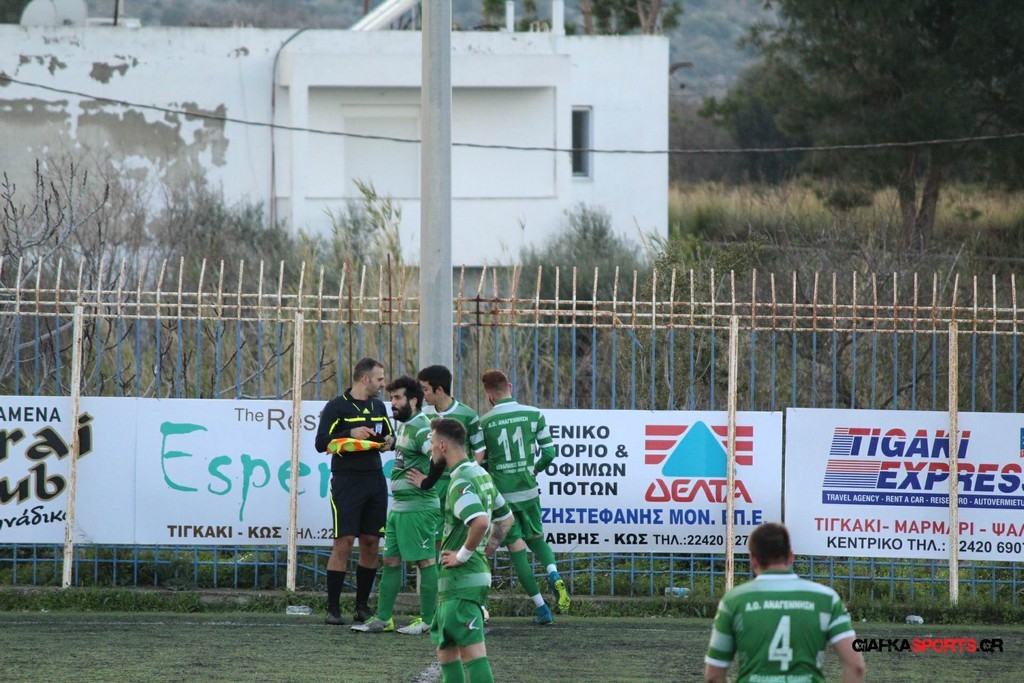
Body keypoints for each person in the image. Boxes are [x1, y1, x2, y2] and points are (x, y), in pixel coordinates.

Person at [704, 522, 866, 683]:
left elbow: (714, 675)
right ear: (790, 556)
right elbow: (856, 667)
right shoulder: (826, 598)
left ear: (753, 559)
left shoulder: (733, 600)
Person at [474, 369, 570, 624]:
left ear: (489, 395)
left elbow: (482, 462)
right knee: (537, 539)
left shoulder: (485, 422)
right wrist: (533, 470)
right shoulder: (534, 414)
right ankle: (553, 573)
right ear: (510, 386)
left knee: (516, 549)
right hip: (528, 490)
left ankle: (542, 608)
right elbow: (549, 454)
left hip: (503, 497)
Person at [352, 375, 440, 635]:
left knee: (425, 562)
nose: (392, 403)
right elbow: (409, 454)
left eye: (398, 398)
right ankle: (384, 619)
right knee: (390, 560)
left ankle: (428, 620)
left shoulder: (422, 427)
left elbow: (439, 454)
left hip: (418, 507)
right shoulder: (404, 426)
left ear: (413, 401)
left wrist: (427, 481)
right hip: (400, 507)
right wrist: (391, 444)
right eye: (391, 397)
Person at [429, 417, 513, 683]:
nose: (430, 449)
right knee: (446, 650)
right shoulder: (480, 474)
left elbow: (481, 521)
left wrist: (464, 555)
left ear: (443, 446)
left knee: (472, 653)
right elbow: (506, 519)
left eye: (432, 443)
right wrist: (482, 553)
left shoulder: (460, 480)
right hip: (466, 577)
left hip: (461, 579)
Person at [315, 357, 395, 626]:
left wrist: (390, 441)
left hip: (375, 480)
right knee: (345, 542)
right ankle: (333, 609)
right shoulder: (336, 406)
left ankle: (362, 607)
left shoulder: (378, 406)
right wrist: (351, 432)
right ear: (365, 379)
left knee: (371, 542)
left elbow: (388, 436)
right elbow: (320, 442)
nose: (383, 384)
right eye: (379, 379)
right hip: (347, 481)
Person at [416, 365, 482, 549]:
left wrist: (469, 474)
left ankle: (459, 562)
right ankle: (439, 566)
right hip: (435, 484)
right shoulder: (424, 415)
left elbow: (479, 449)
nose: (423, 394)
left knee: (461, 531)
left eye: (425, 389)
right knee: (435, 535)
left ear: (439, 390)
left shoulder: (468, 414)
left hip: (459, 482)